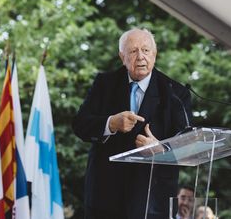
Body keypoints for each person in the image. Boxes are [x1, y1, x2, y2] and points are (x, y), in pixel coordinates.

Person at [73, 28, 192, 219]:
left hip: (151, 198)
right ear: (122, 56)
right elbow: (80, 124)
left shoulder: (175, 92)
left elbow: (186, 141)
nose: (140, 57)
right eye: (133, 51)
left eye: (146, 50)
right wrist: (111, 123)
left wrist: (160, 148)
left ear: (155, 54)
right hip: (105, 196)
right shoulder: (105, 84)